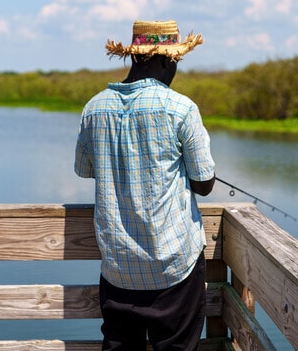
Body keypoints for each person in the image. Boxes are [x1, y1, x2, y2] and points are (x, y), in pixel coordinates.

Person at [74, 19, 216, 351]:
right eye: (176, 60)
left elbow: (84, 169)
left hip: (119, 268)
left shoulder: (94, 108)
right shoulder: (181, 109)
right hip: (174, 269)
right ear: (165, 59)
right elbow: (204, 184)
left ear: (135, 56)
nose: (175, 68)